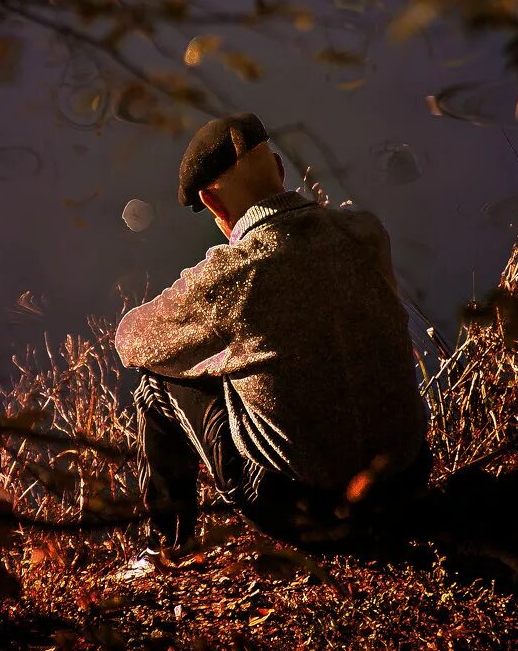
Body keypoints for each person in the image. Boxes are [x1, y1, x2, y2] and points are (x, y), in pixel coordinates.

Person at [113, 112, 430, 578]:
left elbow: (131, 341)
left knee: (156, 380)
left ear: (211, 202)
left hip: (306, 513)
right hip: (405, 482)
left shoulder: (232, 275)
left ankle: (163, 552)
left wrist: (213, 353)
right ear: (279, 169)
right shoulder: (364, 232)